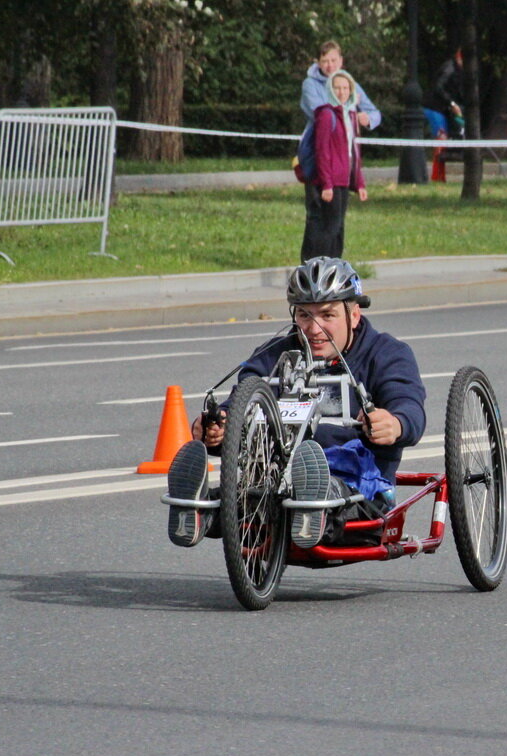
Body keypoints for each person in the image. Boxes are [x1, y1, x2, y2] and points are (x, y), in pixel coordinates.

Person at [166, 257, 427, 549]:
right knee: (245, 496)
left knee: (322, 495)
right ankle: (197, 508)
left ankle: (311, 501)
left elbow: (409, 406)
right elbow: (244, 397)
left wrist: (394, 423)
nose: (314, 329)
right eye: (304, 315)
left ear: (353, 315)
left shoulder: (388, 354)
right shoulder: (277, 353)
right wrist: (220, 427)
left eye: (327, 315)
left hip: (358, 488)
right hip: (276, 481)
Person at [300, 70, 367, 262]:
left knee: (338, 227)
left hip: (344, 180)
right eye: (337, 87)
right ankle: (318, 266)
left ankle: (335, 267)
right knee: (327, 227)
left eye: (345, 88)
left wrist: (359, 183)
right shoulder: (326, 114)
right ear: (330, 89)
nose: (341, 92)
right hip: (330, 180)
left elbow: (353, 152)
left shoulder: (350, 115)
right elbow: (323, 152)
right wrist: (327, 184)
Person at [301, 41, 382, 132]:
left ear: (341, 61)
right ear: (318, 63)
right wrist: (350, 106)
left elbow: (375, 113)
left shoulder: (351, 84)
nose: (330, 65)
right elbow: (323, 116)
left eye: (333, 60)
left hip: (345, 142)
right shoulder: (309, 84)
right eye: (325, 61)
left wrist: (368, 119)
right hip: (317, 140)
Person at [422, 50, 465, 139]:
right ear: (459, 58)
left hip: (443, 110)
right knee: (441, 138)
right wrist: (452, 103)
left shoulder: (457, 71)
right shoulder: (450, 69)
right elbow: (438, 87)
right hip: (435, 109)